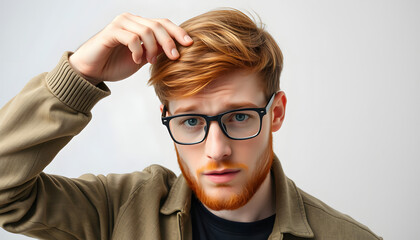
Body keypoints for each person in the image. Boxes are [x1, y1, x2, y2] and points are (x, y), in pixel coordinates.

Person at [0, 8, 382, 240]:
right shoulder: (120, 210)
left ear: (276, 113)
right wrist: (79, 75)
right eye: (191, 121)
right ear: (167, 118)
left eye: (239, 116)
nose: (217, 149)